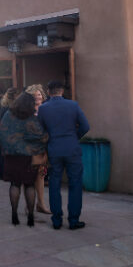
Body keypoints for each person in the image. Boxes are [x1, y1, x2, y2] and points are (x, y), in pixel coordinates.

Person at [38, 80, 90, 230]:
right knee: (75, 183)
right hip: (72, 148)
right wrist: (74, 137)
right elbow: (86, 126)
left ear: (49, 92)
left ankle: (56, 219)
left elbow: (40, 131)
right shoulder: (73, 105)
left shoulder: (43, 109)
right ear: (61, 91)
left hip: (54, 149)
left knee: (54, 183)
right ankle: (73, 220)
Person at [0, 91, 49, 227]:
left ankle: (14, 215)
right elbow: (41, 136)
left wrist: (8, 148)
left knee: (14, 184)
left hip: (12, 156)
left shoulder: (9, 115)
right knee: (29, 185)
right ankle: (30, 217)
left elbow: (0, 132)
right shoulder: (31, 118)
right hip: (28, 157)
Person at [25, 84, 52, 215]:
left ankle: (41, 204)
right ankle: (28, 206)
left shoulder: (46, 109)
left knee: (41, 176)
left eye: (39, 94)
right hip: (30, 148)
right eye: (34, 95)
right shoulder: (26, 111)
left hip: (42, 148)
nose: (37, 97)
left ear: (43, 96)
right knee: (29, 177)